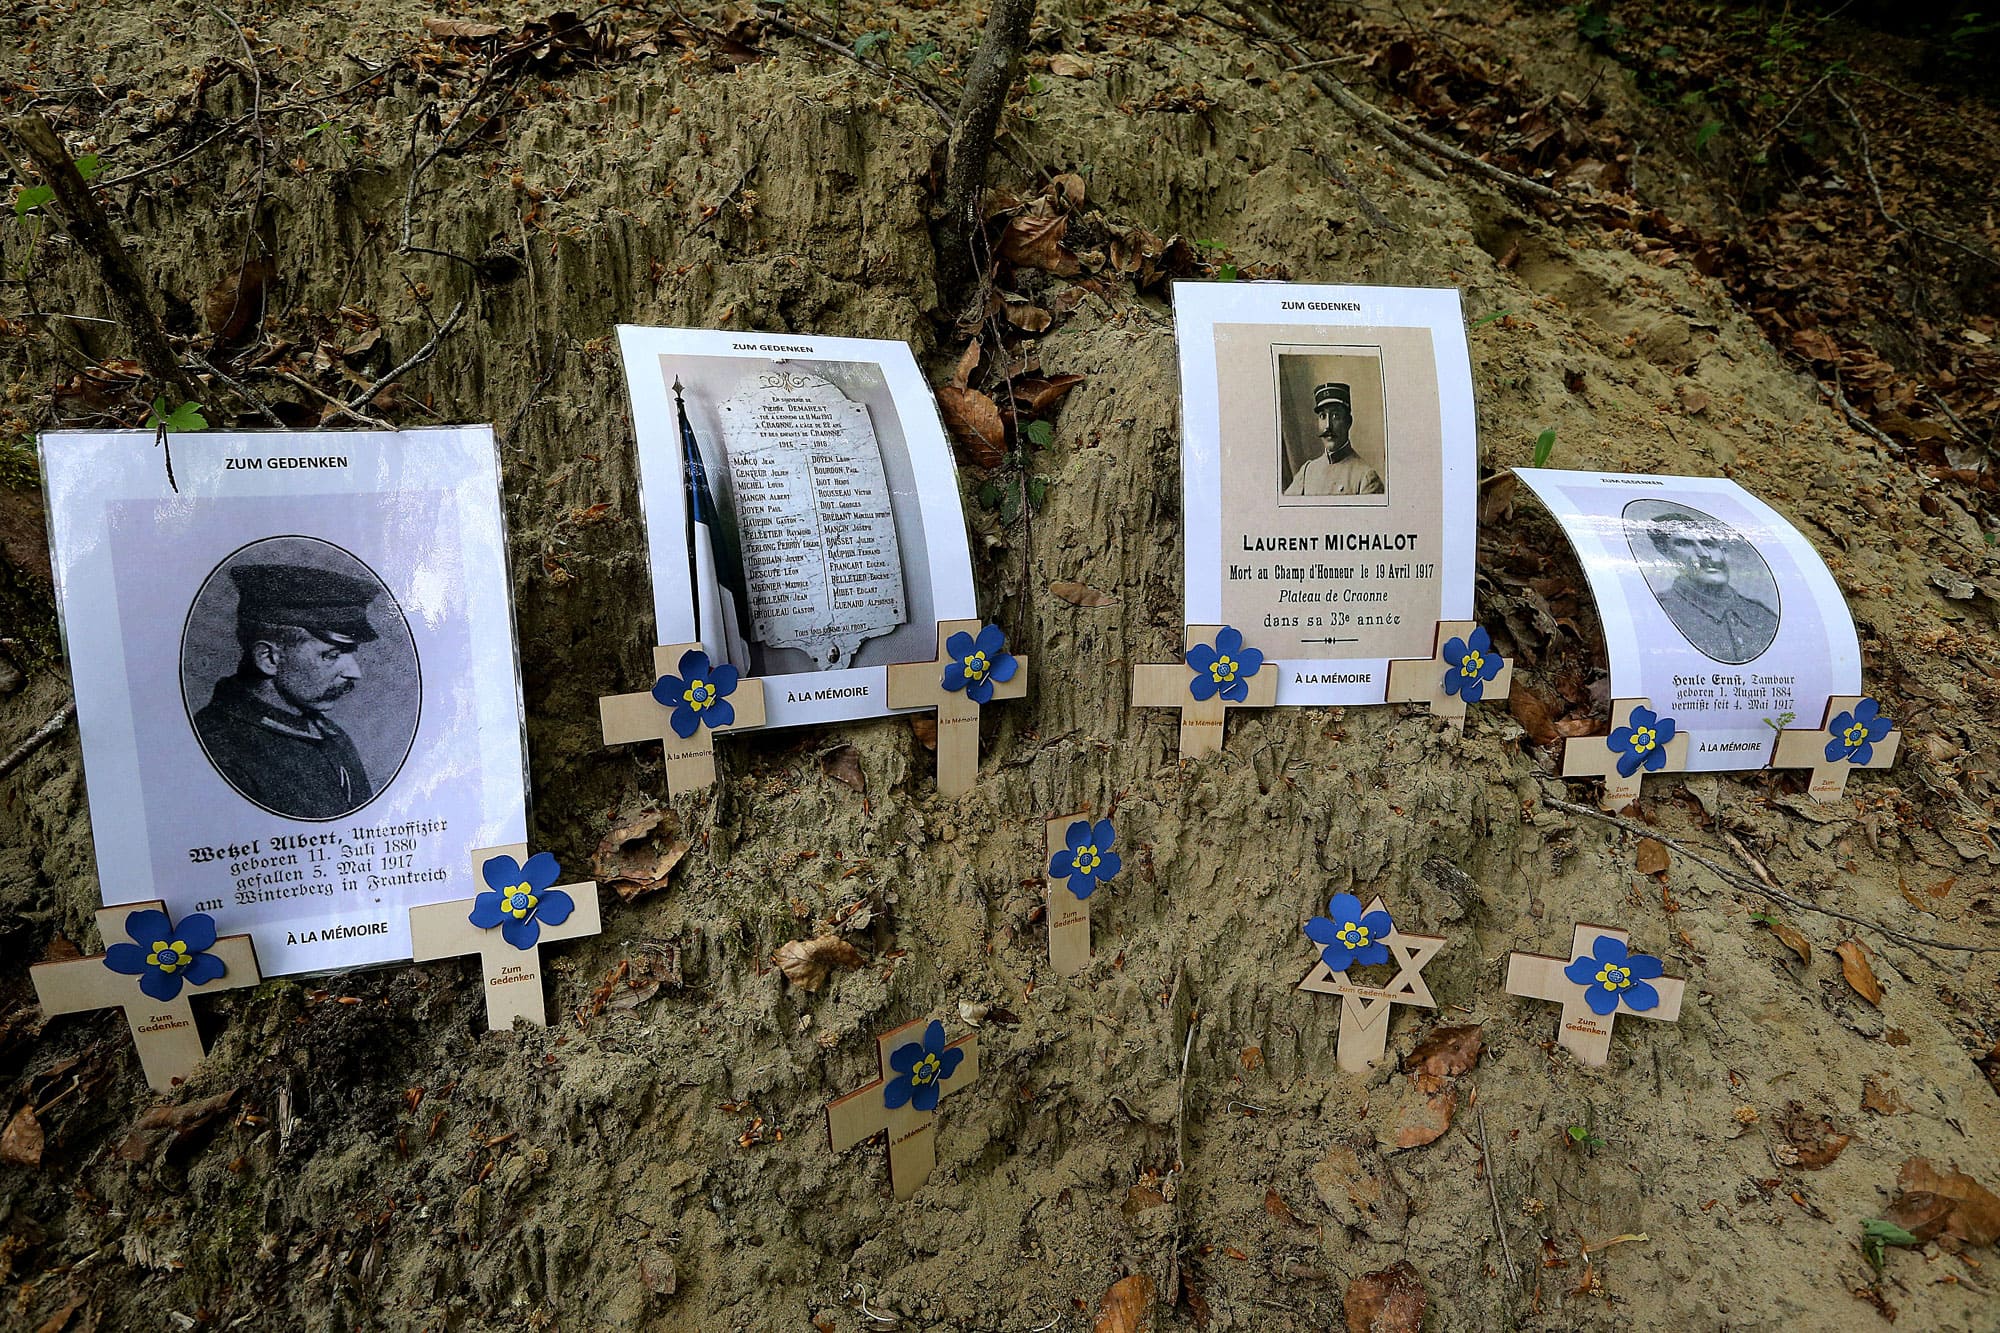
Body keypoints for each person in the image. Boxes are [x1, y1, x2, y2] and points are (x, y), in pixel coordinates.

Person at [192, 563, 379, 819]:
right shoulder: (216, 750)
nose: (354, 672)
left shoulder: (333, 738)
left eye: (349, 655)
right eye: (331, 655)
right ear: (269, 658)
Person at [1642, 511, 1779, 664]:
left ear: (1724, 553)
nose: (1704, 554)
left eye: (1709, 544)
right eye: (1685, 544)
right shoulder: (1657, 612)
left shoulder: (1762, 615)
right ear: (1667, 555)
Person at [1283, 381, 1384, 497]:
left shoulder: (1366, 478)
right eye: (1322, 416)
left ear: (1348, 422)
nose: (1328, 426)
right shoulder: (1307, 472)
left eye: (1335, 416)